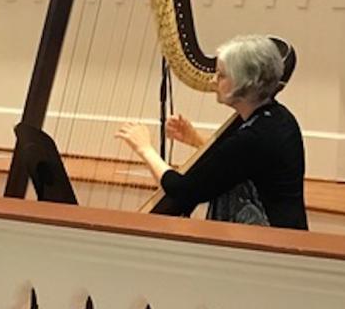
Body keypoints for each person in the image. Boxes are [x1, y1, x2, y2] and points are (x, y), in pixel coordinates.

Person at [116, 34, 307, 229]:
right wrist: (195, 139)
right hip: (284, 232)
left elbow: (181, 190)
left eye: (222, 75)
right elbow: (240, 163)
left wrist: (145, 149)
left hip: (271, 246)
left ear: (245, 83)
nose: (213, 81)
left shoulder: (254, 137)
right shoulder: (277, 117)